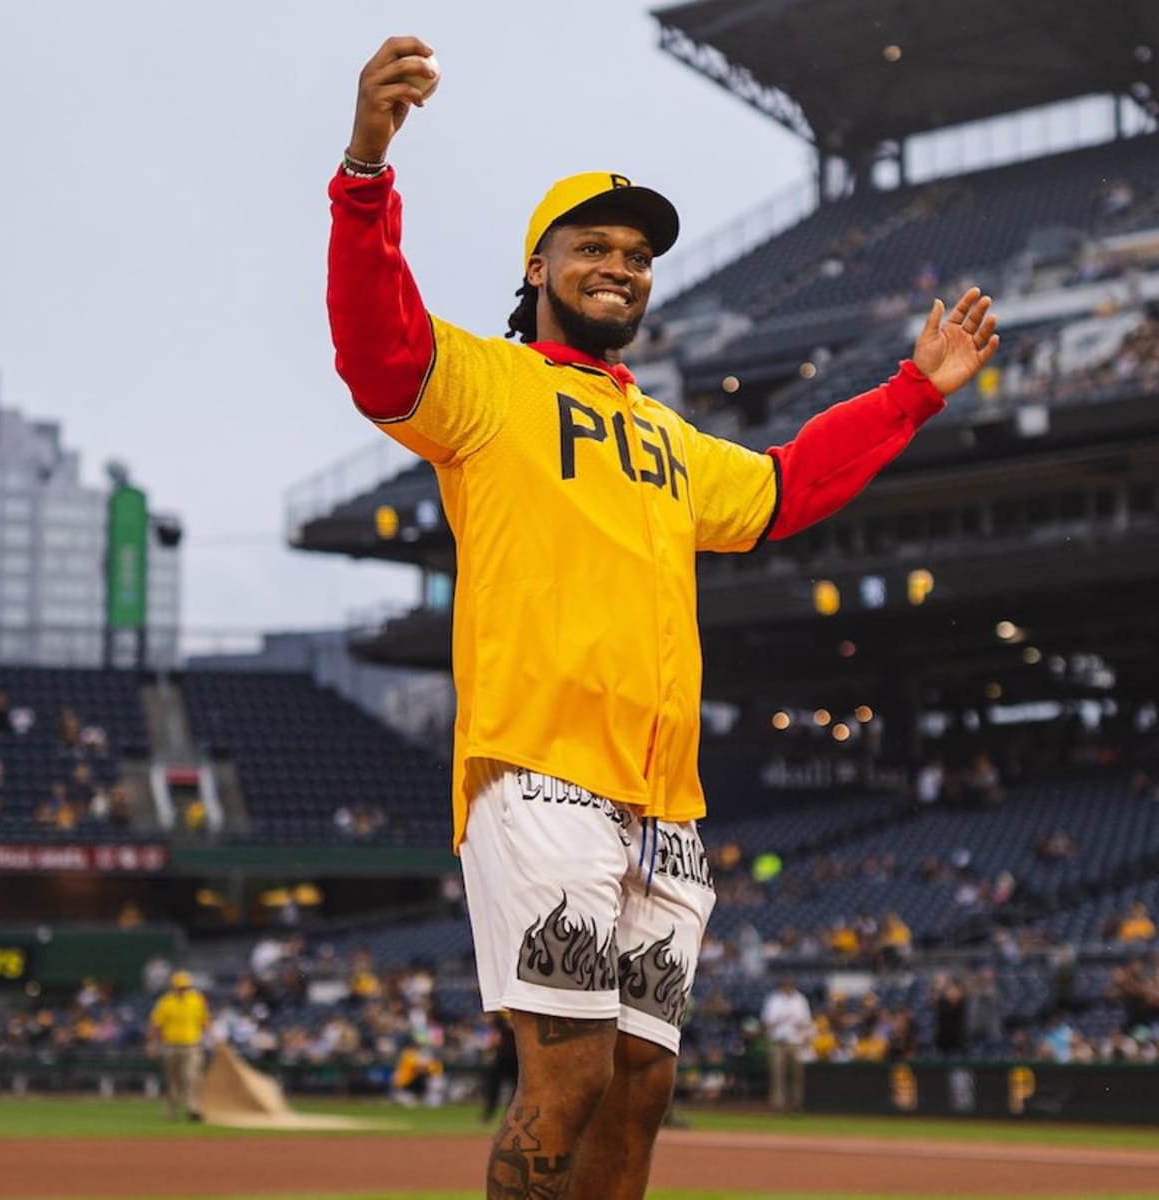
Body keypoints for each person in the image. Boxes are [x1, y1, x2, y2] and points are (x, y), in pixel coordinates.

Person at [326, 35, 1000, 1200]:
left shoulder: (669, 438)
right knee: (568, 1080)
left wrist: (912, 394)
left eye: (637, 255)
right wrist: (366, 174)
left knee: (640, 1085)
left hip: (664, 797)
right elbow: (379, 354)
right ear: (540, 266)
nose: (622, 267)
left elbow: (788, 487)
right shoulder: (487, 386)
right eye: (595, 247)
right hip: (540, 769)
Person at [147, 969, 211, 1121]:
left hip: (192, 1046)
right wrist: (153, 1044)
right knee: (173, 1080)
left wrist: (213, 1039)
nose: (183, 990)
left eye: (185, 987)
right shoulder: (165, 1002)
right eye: (180, 987)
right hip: (171, 1046)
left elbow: (205, 1021)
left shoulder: (196, 1000)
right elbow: (156, 1025)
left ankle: (193, 1109)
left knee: (192, 1077)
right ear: (173, 987)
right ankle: (171, 1110)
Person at [761, 975, 814, 1112]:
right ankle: (778, 1105)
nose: (788, 987)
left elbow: (806, 1022)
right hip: (778, 1042)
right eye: (785, 984)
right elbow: (768, 1022)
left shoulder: (800, 1000)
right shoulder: (774, 1000)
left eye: (790, 984)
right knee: (777, 1074)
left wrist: (798, 1025)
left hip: (795, 1042)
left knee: (797, 1075)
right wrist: (783, 1018)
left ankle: (797, 1104)